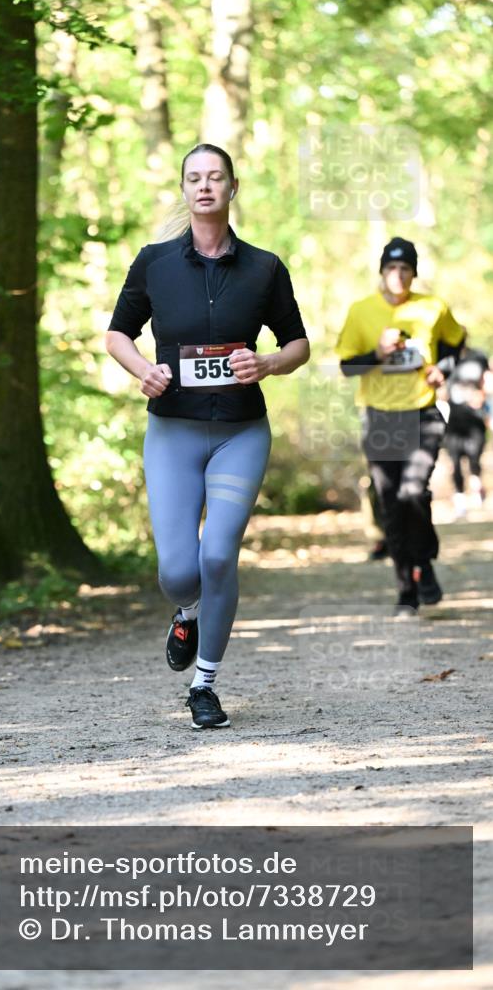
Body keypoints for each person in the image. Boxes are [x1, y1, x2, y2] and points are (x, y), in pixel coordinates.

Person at [105, 144, 310, 729]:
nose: (204, 186)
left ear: (232, 187)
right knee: (177, 570)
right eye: (194, 178)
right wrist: (143, 369)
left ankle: (205, 684)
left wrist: (267, 363)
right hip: (173, 430)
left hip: (241, 432)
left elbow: (299, 343)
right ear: (184, 188)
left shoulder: (264, 267)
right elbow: (117, 334)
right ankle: (186, 611)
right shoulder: (154, 263)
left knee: (219, 554)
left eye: (214, 177)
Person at [336, 237, 466, 612]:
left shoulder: (433, 308)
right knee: (391, 504)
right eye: (391, 268)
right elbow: (347, 367)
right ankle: (406, 588)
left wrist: (443, 370)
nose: (398, 275)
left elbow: (457, 344)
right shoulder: (361, 311)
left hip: (422, 413)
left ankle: (423, 562)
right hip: (379, 416)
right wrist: (377, 354)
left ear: (414, 273)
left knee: (413, 491)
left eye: (405, 268)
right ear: (381, 272)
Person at [442, 345, 490, 517]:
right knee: (454, 462)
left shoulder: (477, 357)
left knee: (474, 459)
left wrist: (482, 398)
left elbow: (488, 381)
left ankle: (477, 490)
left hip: (475, 419)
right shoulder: (444, 357)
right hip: (454, 421)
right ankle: (459, 499)